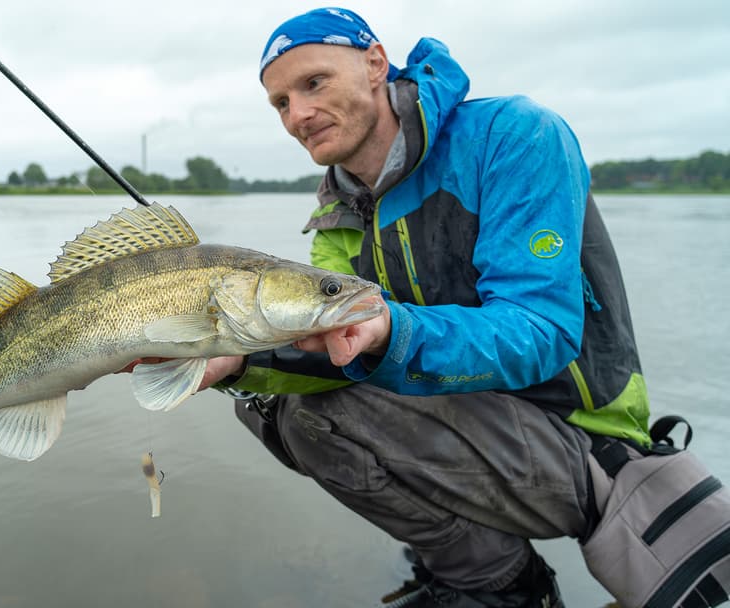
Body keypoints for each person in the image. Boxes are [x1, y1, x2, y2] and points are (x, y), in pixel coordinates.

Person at [190, 7, 730, 608]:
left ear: (374, 63)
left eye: (313, 82)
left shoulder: (515, 135)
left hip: (583, 442)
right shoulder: (337, 218)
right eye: (280, 103)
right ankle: (476, 569)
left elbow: (542, 331)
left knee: (324, 414)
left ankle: (498, 587)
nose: (298, 115)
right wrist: (238, 366)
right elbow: (328, 353)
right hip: (463, 427)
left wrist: (391, 330)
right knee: (275, 405)